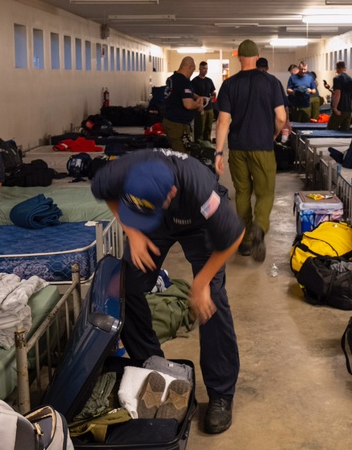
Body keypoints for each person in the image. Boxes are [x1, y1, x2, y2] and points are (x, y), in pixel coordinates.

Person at [91, 150, 243, 434]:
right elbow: (104, 191)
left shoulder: (201, 190)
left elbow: (233, 237)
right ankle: (153, 366)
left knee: (211, 301)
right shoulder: (122, 170)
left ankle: (221, 393)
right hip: (154, 223)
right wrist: (134, 232)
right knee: (127, 287)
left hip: (198, 225)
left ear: (171, 192)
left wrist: (201, 284)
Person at [215, 39, 287, 261]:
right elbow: (281, 117)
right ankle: (259, 227)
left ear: (239, 58)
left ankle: (245, 242)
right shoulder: (272, 83)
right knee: (265, 192)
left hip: (237, 149)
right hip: (262, 148)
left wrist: (218, 152)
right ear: (257, 56)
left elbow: (223, 121)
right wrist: (274, 134)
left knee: (243, 194)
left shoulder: (229, 85)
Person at [162, 56, 206, 152]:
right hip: (177, 125)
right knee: (181, 156)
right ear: (189, 67)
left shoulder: (172, 79)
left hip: (169, 121)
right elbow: (188, 105)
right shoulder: (184, 81)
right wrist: (199, 105)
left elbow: (181, 92)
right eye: (192, 70)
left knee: (175, 152)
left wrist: (197, 97)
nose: (192, 73)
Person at [326, 61, 352, 132]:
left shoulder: (337, 78)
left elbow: (338, 93)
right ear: (345, 68)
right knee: (345, 133)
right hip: (348, 110)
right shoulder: (350, 79)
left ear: (337, 68)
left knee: (330, 131)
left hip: (340, 109)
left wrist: (335, 108)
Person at [191, 60, 217, 143]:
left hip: (209, 108)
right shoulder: (194, 81)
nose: (205, 70)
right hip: (200, 107)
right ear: (199, 68)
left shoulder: (209, 80)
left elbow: (212, 91)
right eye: (203, 69)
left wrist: (213, 94)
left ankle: (207, 143)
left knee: (208, 127)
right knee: (200, 127)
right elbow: (191, 93)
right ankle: (199, 144)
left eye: (206, 69)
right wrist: (200, 98)